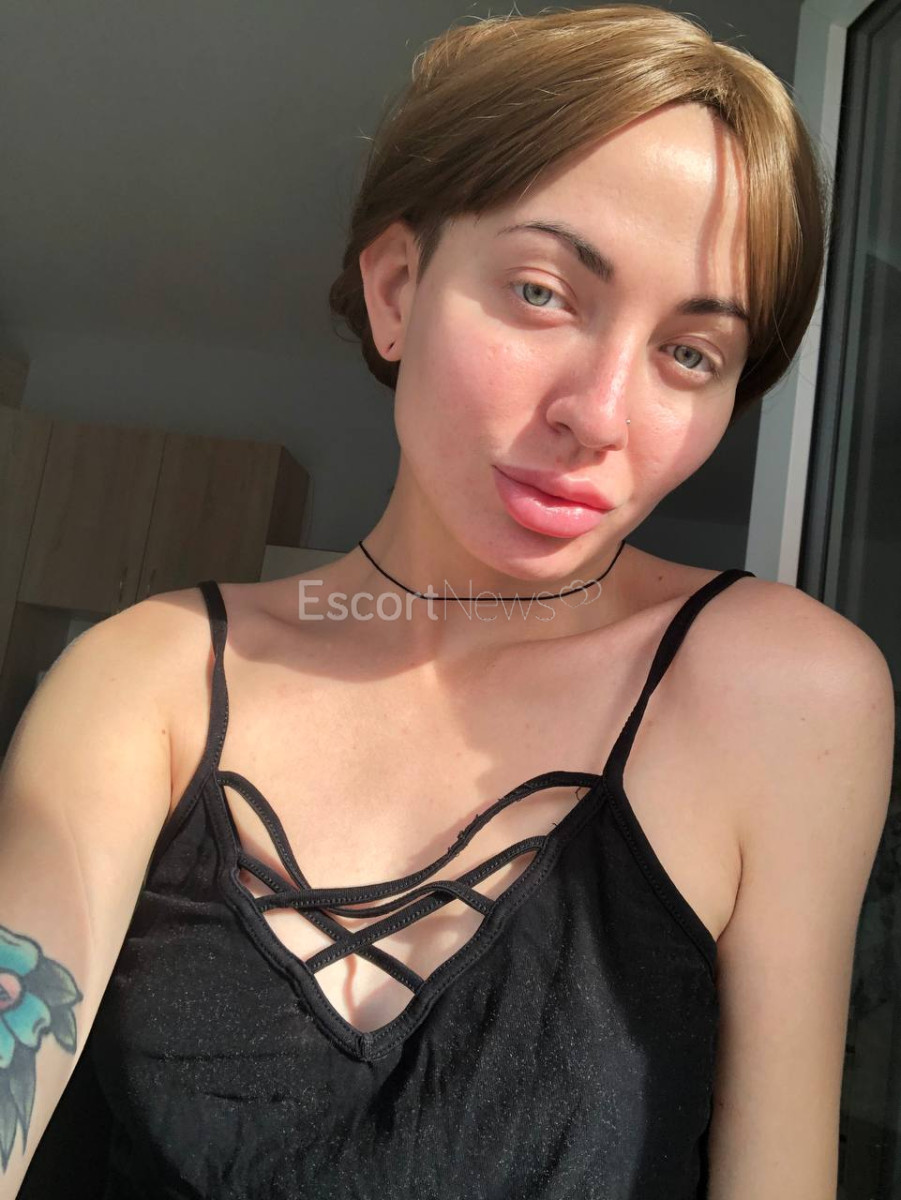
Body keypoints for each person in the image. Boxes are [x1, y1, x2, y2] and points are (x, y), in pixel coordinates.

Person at [0, 5, 895, 1198]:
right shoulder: (148, 679)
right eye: (541, 291)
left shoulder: (780, 694)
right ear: (395, 288)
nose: (600, 414)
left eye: (691, 354)